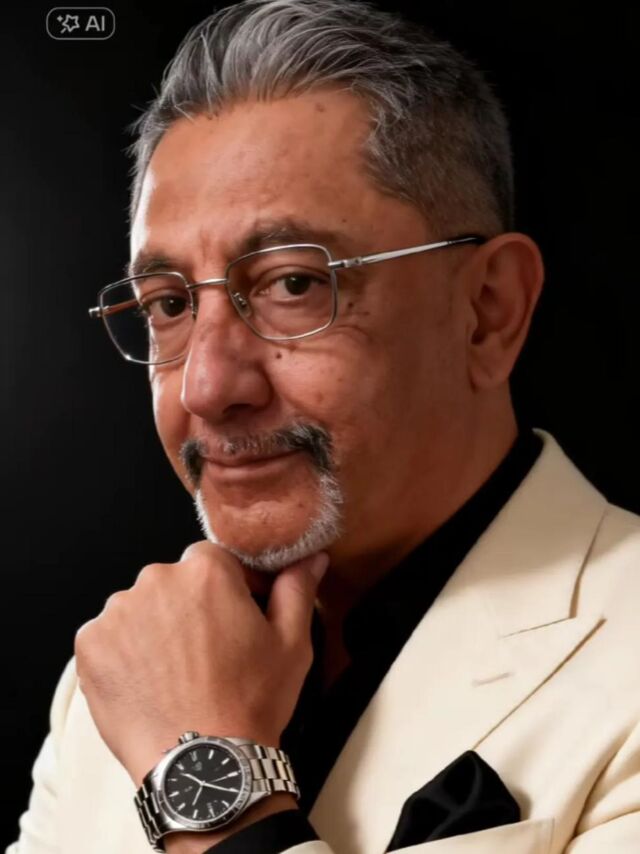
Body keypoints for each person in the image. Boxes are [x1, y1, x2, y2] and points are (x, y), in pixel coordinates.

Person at [7, 1, 640, 852]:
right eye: (169, 304)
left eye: (293, 285)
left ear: (488, 311)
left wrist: (207, 777)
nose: (207, 386)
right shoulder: (114, 677)